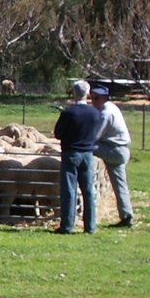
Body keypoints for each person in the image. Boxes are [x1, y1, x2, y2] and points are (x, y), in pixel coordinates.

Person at [53, 80, 103, 234]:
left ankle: (67, 225)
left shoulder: (68, 113)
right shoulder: (95, 113)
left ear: (74, 93)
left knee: (69, 189)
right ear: (88, 94)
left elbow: (58, 133)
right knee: (88, 190)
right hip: (88, 154)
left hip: (71, 153)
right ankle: (90, 226)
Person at [90, 86, 133, 228]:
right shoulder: (112, 107)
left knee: (83, 146)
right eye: (92, 98)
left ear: (103, 98)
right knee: (120, 183)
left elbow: (95, 136)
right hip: (121, 150)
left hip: (114, 150)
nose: (93, 101)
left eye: (95, 98)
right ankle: (126, 215)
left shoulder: (105, 113)